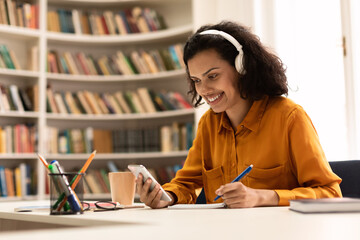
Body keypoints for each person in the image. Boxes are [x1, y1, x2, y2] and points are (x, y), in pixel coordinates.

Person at [136, 21, 342, 209]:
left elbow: (331, 194)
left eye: (213, 76)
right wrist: (165, 196)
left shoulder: (289, 117)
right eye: (197, 80)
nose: (204, 89)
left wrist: (263, 197)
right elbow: (185, 183)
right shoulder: (209, 124)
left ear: (242, 68)